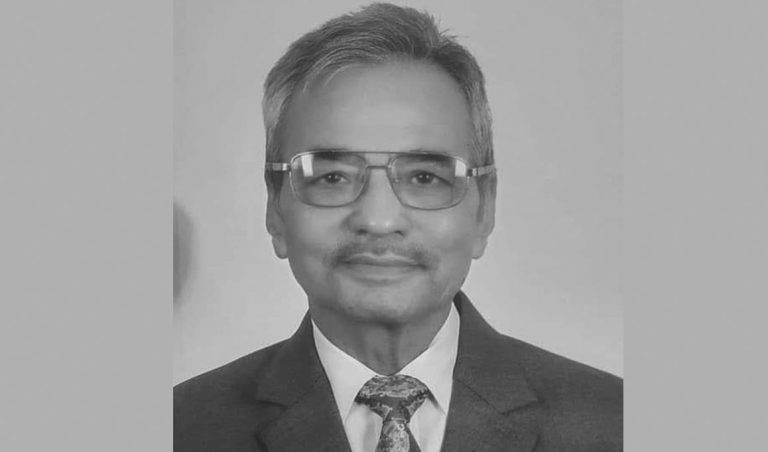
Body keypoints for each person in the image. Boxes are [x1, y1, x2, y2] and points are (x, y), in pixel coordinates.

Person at [174, 3, 622, 451]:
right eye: (333, 178)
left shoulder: (617, 425)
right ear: (275, 207)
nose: (379, 220)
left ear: (484, 209)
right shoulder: (179, 428)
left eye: (425, 177)